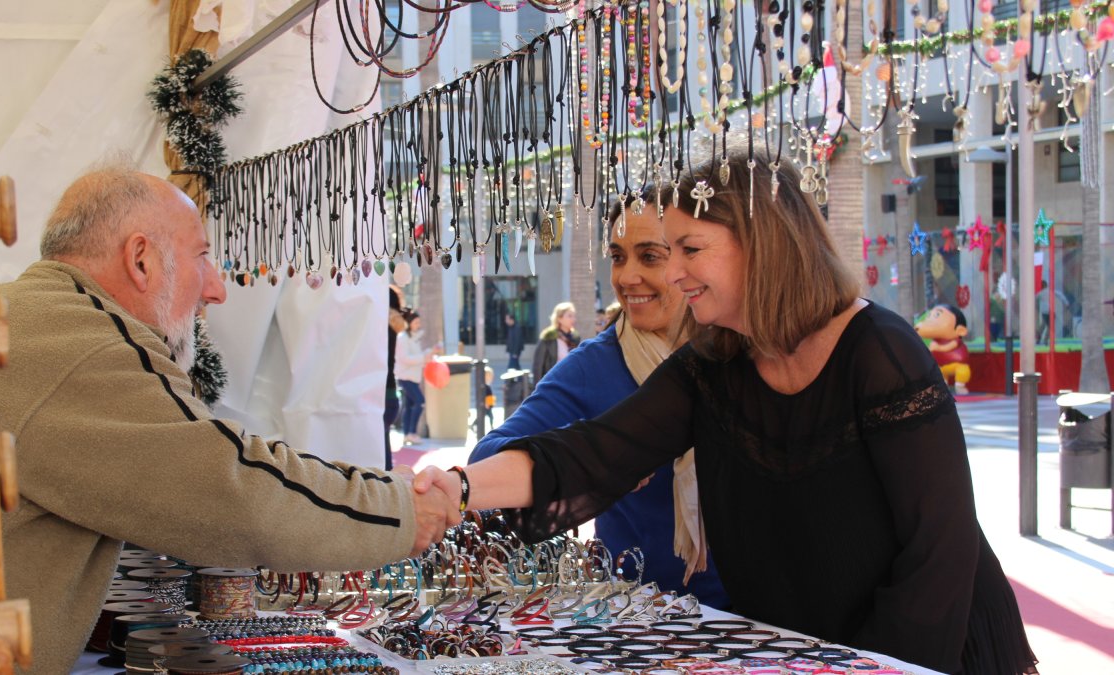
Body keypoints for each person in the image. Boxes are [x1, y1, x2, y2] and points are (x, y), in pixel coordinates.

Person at [419, 149, 1036, 674]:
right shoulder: (712, 365)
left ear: (760, 246)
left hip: (928, 647)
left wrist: (884, 667)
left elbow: (940, 546)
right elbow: (591, 454)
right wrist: (461, 484)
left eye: (690, 249)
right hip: (804, 647)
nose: (677, 270)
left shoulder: (878, 352)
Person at [0, 166, 460, 674]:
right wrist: (401, 508)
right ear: (141, 260)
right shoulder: (85, 345)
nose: (217, 288)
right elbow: (234, 491)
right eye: (201, 256)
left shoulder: (22, 315)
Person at [469, 194, 728, 608]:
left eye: (650, 257)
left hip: (757, 620)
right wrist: (592, 454)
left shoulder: (738, 349)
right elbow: (486, 457)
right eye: (618, 257)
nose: (626, 277)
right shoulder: (596, 363)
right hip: (639, 620)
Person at [395, 309, 434, 445]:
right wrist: (424, 357)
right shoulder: (402, 338)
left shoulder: (412, 337)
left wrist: (427, 355)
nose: (418, 325)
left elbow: (415, 357)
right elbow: (405, 358)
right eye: (416, 322)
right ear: (409, 322)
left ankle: (407, 434)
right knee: (419, 402)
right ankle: (411, 432)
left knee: (410, 405)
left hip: (412, 376)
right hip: (406, 377)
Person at [384, 286, 406, 468]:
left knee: (381, 454)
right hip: (391, 393)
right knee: (383, 446)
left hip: (382, 393)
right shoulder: (394, 327)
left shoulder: (378, 327)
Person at [530, 301, 579, 384]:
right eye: (569, 316)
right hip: (553, 383)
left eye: (574, 316)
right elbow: (538, 365)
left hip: (572, 383)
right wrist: (537, 388)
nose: (573, 319)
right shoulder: (548, 337)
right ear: (559, 318)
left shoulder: (575, 338)